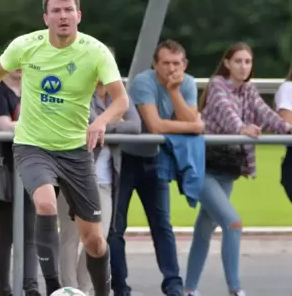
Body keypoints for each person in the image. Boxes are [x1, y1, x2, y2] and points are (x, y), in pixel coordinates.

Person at [0, 0, 129, 296]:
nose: (63, 16)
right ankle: (54, 287)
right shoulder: (26, 45)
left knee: (93, 239)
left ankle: (103, 292)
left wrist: (101, 121)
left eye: (68, 11)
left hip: (77, 151)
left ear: (78, 16)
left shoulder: (96, 51)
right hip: (32, 145)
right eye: (56, 11)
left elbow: (121, 101)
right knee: (45, 202)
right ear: (46, 17)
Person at [184, 43, 292, 296]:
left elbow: (267, 116)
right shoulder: (219, 86)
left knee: (204, 229)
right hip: (203, 168)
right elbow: (226, 112)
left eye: (248, 62)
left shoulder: (249, 90)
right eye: (239, 61)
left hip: (227, 170)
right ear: (227, 64)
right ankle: (235, 289)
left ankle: (188, 290)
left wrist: (288, 130)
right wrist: (241, 128)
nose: (244, 66)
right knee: (233, 224)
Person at [107, 40, 204, 296]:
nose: (172, 68)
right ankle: (119, 286)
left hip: (156, 159)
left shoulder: (189, 83)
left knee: (162, 224)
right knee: (116, 227)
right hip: (126, 160)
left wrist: (174, 92)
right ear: (155, 64)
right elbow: (154, 126)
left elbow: (189, 119)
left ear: (184, 64)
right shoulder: (143, 82)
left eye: (176, 63)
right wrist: (193, 127)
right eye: (166, 63)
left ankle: (173, 284)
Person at [57, 78, 141, 294]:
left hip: (105, 181)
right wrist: (116, 124)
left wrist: (104, 127)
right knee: (70, 237)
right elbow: (91, 122)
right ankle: (68, 289)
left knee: (97, 240)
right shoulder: (78, 91)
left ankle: (83, 290)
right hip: (74, 177)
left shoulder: (120, 96)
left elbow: (135, 126)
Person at [0, 68, 41, 296]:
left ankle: (31, 286)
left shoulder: (33, 90)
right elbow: (4, 127)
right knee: (5, 233)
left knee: (30, 231)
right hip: (2, 169)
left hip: (30, 167)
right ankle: (4, 289)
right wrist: (38, 126)